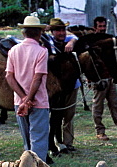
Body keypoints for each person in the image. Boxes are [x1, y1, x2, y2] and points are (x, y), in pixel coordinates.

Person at [5, 15, 51, 163]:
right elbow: (37, 78)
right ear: (39, 33)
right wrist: (29, 98)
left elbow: (9, 77)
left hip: (19, 101)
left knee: (27, 142)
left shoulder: (13, 50)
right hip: (38, 101)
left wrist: (23, 99)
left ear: (24, 32)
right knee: (39, 139)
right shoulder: (41, 51)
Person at [90, 15, 117, 141]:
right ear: (95, 28)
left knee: (114, 104)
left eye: (104, 26)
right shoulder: (92, 42)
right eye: (100, 26)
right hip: (98, 80)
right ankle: (99, 131)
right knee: (98, 106)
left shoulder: (109, 40)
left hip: (109, 78)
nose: (102, 28)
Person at [46, 17, 79, 154]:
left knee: (68, 114)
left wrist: (71, 41)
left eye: (63, 30)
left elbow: (76, 36)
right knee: (55, 114)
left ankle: (67, 142)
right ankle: (55, 140)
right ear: (52, 31)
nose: (61, 33)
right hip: (55, 86)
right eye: (58, 30)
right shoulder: (48, 42)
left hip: (72, 84)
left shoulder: (68, 40)